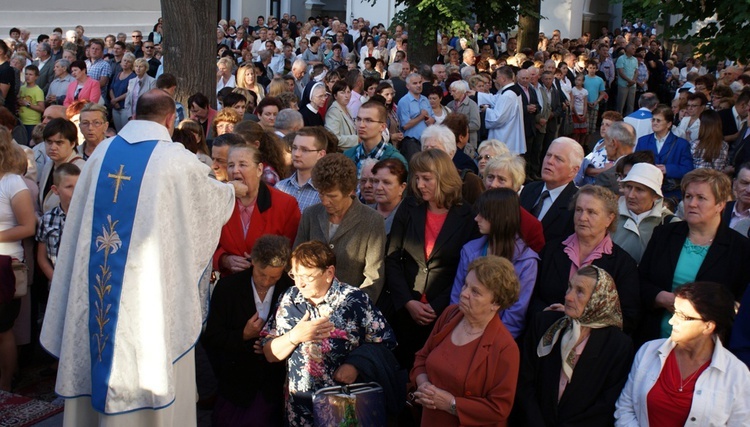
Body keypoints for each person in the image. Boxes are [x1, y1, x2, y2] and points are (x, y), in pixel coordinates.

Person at [39, 90, 237, 423]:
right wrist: (233, 190)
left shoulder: (101, 154)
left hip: (97, 287)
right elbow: (212, 203)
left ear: (134, 113)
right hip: (148, 295)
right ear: (170, 119)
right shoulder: (176, 159)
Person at [261, 240, 397, 426]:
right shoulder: (289, 298)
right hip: (299, 409)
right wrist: (295, 336)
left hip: (344, 408)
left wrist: (355, 365)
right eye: (295, 274)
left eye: (307, 276)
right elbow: (269, 353)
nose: (299, 283)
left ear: (329, 273)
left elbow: (386, 342)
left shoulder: (355, 300)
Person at [384, 149, 481, 370]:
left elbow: (465, 269)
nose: (419, 185)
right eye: (416, 178)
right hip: (404, 310)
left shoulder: (467, 215)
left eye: (427, 179)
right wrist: (408, 302)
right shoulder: (409, 208)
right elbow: (393, 257)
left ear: (444, 178)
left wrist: (437, 306)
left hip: (444, 312)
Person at [637, 169, 750, 342]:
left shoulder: (740, 249)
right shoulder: (664, 234)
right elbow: (640, 281)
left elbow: (738, 304)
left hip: (706, 344)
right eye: (688, 196)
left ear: (720, 204)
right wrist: (660, 297)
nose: (692, 203)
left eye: (701, 198)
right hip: (653, 338)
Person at [615, 282, 750, 426]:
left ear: (708, 326)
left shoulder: (737, 374)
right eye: (674, 312)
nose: (672, 321)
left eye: (682, 316)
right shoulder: (648, 351)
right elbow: (625, 408)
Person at [515, 265, 633, 425]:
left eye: (580, 291)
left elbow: (605, 406)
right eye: (569, 287)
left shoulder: (617, 346)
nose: (569, 297)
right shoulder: (544, 324)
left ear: (598, 299)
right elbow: (524, 382)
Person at [412, 256, 520, 426]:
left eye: (475, 292)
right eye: (465, 285)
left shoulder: (505, 348)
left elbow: (499, 408)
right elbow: (422, 358)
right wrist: (424, 385)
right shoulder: (450, 315)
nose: (463, 294)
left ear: (496, 303)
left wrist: (452, 404)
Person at [202, 235, 293, 427]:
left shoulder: (290, 289)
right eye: (262, 274)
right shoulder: (228, 288)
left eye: (274, 277)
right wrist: (242, 336)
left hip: (273, 386)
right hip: (235, 385)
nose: (267, 281)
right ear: (253, 262)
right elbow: (211, 338)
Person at [529, 185, 641, 334]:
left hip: (593, 348)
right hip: (543, 332)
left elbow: (628, 318)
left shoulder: (623, 264)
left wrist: (580, 319)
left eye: (591, 212)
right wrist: (546, 312)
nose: (582, 218)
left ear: (610, 218)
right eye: (579, 210)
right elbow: (530, 296)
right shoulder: (550, 250)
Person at [294, 153, 386, 302]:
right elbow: (297, 262)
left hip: (351, 309)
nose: (325, 201)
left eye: (332, 196)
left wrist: (352, 308)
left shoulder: (372, 221)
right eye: (321, 194)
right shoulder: (310, 214)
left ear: (350, 191)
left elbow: (373, 277)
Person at [449, 189, 539, 339]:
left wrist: (489, 345)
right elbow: (456, 300)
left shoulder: (527, 262)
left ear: (501, 217)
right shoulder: (469, 250)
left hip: (495, 342)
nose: (476, 218)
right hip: (461, 332)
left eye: (484, 214)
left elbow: (514, 317)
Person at [213, 144, 300, 277]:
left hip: (270, 284)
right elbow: (205, 243)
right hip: (229, 285)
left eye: (242, 164)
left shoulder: (285, 204)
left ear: (259, 169)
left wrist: (264, 261)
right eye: (231, 165)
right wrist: (224, 260)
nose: (235, 170)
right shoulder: (217, 201)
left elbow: (293, 250)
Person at [0, 127, 36, 391]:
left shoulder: (13, 183)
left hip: (5, 265)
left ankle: (5, 384)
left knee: (2, 329)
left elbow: (28, 227)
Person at [519, 137, 583, 243]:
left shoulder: (577, 204)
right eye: (548, 155)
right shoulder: (529, 189)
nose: (550, 161)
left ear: (573, 170)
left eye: (558, 159)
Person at [612, 163, 676, 264]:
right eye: (628, 187)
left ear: (655, 196)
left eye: (639, 189)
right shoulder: (609, 214)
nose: (631, 195)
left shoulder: (671, 223)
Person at [634, 105, 693, 200]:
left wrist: (668, 169)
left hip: (670, 194)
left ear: (669, 124)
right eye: (653, 120)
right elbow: (635, 165)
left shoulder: (682, 144)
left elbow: (688, 169)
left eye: (658, 120)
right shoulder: (642, 141)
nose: (654, 123)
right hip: (647, 191)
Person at [344, 100, 408, 173]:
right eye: (358, 119)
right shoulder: (348, 155)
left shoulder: (396, 160)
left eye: (368, 120)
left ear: (382, 127)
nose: (361, 125)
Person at [37, 118, 86, 212]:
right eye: (49, 142)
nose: (53, 147)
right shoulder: (48, 165)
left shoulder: (81, 169)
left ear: (72, 144)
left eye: (59, 143)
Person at [276, 127, 327, 213]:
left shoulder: (326, 192)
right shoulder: (280, 187)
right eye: (294, 148)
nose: (296, 154)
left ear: (321, 154)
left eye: (304, 150)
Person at [371, 158, 407, 235]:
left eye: (386, 183)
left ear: (402, 187)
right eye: (376, 181)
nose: (379, 187)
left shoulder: (410, 217)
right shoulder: (362, 214)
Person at [324, 81, 358, 150]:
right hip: (341, 153)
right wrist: (357, 139)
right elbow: (334, 138)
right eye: (342, 92)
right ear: (335, 96)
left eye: (348, 92)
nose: (346, 96)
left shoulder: (347, 109)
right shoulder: (333, 112)